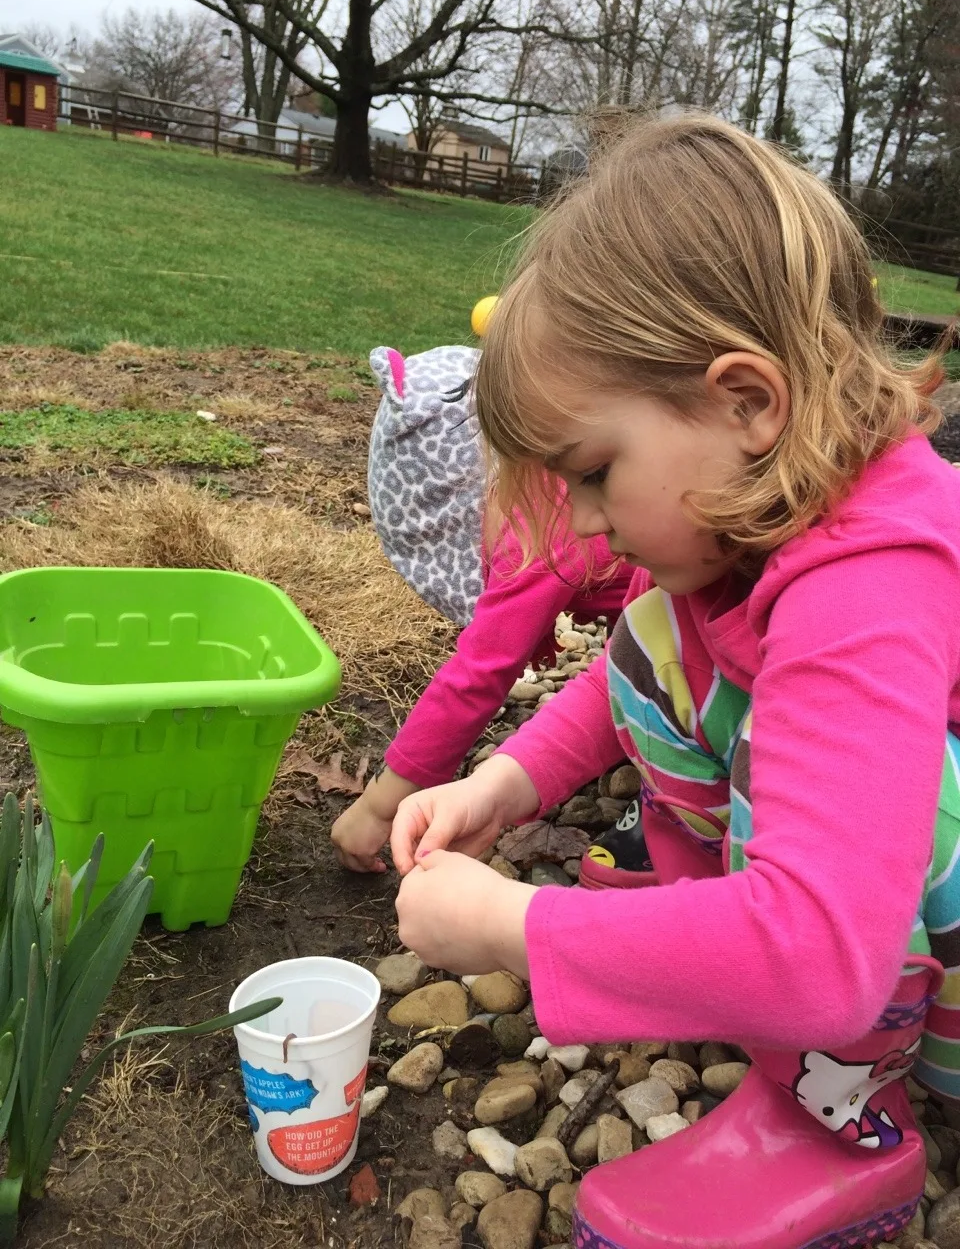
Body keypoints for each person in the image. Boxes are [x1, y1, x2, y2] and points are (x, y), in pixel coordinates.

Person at [389, 112, 960, 1249]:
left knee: (866, 811)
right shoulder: (761, 519)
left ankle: (848, 1120)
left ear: (747, 401)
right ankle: (728, 966)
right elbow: (631, 682)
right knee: (655, 641)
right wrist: (502, 784)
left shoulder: (871, 579)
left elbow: (821, 949)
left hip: (863, 966)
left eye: (595, 473)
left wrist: (518, 924)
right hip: (836, 944)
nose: (586, 522)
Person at [331, 336, 633, 874]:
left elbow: (476, 675)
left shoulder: (534, 532)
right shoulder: (547, 483)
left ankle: (688, 801)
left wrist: (379, 806)